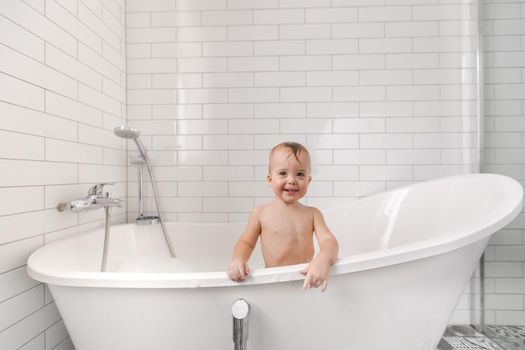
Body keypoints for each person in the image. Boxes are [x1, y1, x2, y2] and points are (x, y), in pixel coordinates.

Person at [227, 142, 339, 292]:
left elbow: (329, 241)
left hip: (304, 282)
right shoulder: (261, 213)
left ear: (308, 180)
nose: (291, 180)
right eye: (283, 173)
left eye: (300, 174)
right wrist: (238, 260)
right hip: (274, 283)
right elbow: (246, 242)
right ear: (270, 179)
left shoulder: (312, 214)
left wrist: (324, 258)